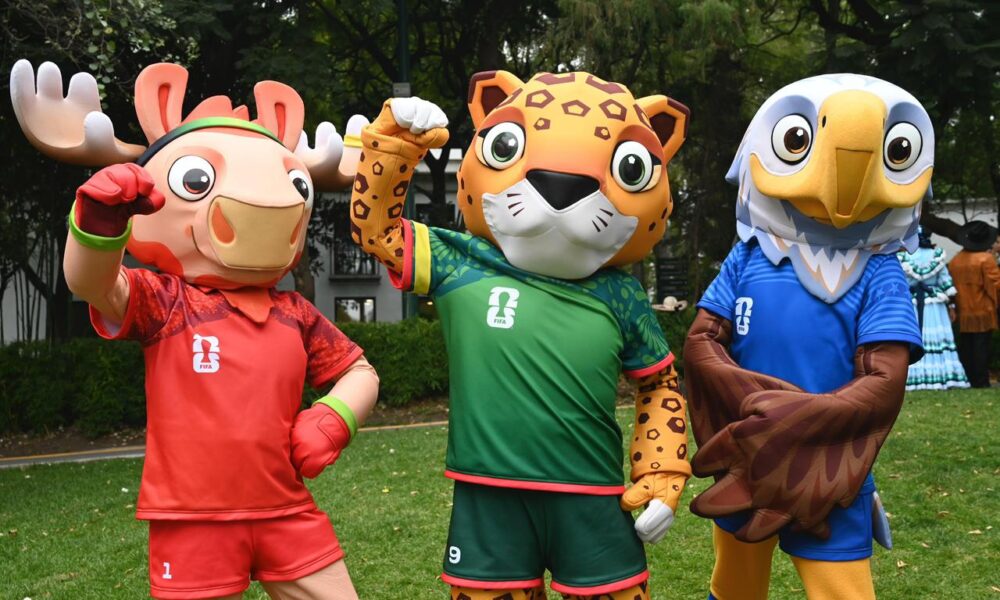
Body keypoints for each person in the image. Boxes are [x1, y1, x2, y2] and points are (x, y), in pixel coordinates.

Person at [9, 59, 376, 599]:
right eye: (198, 180)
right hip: (190, 519)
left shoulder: (295, 312)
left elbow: (359, 371)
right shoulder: (166, 302)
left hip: (288, 509)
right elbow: (94, 285)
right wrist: (98, 227)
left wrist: (334, 417)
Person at [349, 71, 691, 600]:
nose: (560, 192)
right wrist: (393, 148)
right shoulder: (458, 260)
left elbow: (659, 382)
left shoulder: (620, 294)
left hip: (594, 495)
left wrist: (663, 466)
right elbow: (376, 232)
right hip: (490, 499)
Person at [684, 74, 929, 600]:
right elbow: (703, 342)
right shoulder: (748, 256)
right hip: (746, 462)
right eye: (795, 140)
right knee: (734, 584)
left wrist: (799, 423)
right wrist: (754, 415)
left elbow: (883, 380)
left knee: (841, 589)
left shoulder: (879, 273)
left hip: (829, 472)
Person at [897, 228, 969, 390]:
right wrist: (951, 306)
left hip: (912, 304)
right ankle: (943, 377)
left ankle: (914, 377)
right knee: (938, 339)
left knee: (914, 338)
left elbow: (900, 284)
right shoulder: (936, 256)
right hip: (935, 304)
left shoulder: (903, 257)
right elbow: (946, 283)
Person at [949, 221, 1000, 388]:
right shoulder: (986, 259)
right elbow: (996, 285)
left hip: (963, 311)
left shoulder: (956, 260)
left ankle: (970, 379)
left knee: (968, 347)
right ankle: (981, 381)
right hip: (983, 311)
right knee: (981, 348)